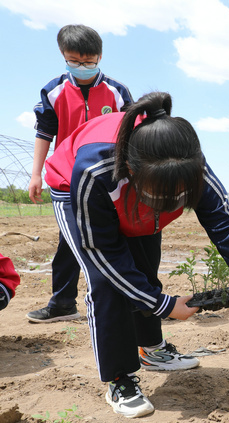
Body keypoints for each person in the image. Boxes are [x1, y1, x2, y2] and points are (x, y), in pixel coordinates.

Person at [43, 91, 229, 418]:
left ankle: (152, 350)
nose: (172, 207)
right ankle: (119, 378)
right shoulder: (93, 170)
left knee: (145, 270)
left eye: (180, 198)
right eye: (161, 198)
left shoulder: (190, 167)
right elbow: (104, 254)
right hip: (73, 192)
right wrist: (163, 305)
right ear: (131, 170)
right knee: (109, 284)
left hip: (139, 191)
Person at [27, 24, 133, 324]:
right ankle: (63, 303)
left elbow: (133, 131)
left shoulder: (117, 91)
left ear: (99, 57)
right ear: (63, 56)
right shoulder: (54, 90)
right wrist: (36, 174)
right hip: (68, 176)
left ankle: (132, 298)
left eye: (89, 62)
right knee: (70, 240)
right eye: (75, 61)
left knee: (118, 234)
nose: (82, 67)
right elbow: (45, 131)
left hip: (109, 175)